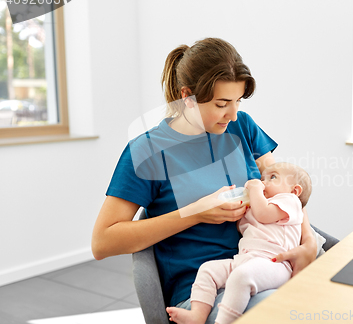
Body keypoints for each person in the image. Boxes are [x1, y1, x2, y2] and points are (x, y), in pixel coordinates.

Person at [91, 37, 317, 323]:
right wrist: (195, 213)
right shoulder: (147, 151)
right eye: (222, 103)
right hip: (205, 289)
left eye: (237, 101)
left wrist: (307, 242)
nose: (233, 114)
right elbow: (102, 242)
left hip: (266, 265)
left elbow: (284, 187)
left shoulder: (241, 127)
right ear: (187, 96)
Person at [166, 162, 312, 324]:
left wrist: (255, 190)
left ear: (295, 190)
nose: (263, 182)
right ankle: (197, 315)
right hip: (246, 260)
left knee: (241, 277)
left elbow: (263, 214)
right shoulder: (262, 203)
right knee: (208, 270)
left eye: (272, 177)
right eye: (262, 178)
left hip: (274, 264)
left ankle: (222, 321)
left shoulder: (290, 201)